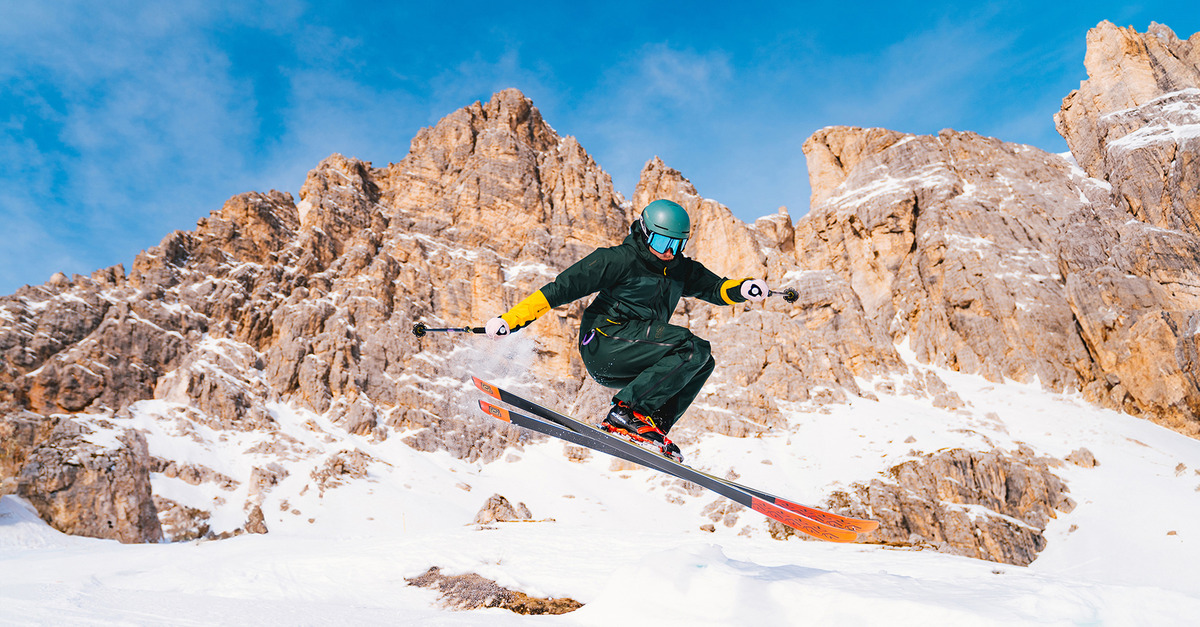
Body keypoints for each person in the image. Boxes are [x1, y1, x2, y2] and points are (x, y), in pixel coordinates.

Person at [485, 199, 768, 461]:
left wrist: (743, 288)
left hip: (632, 353)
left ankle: (649, 425)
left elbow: (716, 289)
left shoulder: (680, 269)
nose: (668, 251)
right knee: (693, 347)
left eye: (677, 244)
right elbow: (560, 289)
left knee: (703, 361)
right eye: (661, 241)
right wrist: (510, 320)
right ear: (645, 233)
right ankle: (627, 414)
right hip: (604, 340)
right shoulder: (619, 259)